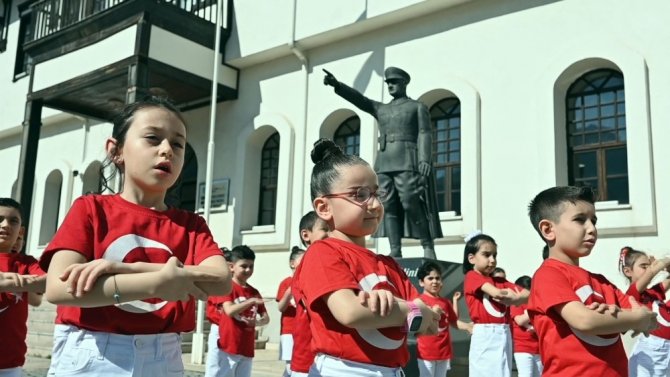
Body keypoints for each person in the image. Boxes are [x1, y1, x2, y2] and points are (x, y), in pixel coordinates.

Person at [39, 96, 232, 376]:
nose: (167, 150)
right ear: (116, 150)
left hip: (165, 355)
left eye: (178, 144)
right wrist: (157, 283)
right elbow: (59, 288)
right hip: (93, 353)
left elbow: (221, 280)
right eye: (153, 138)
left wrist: (123, 268)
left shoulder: (192, 225)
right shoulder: (91, 209)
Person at [293, 138, 440, 377]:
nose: (374, 204)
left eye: (376, 193)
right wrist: (407, 310)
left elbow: (428, 323)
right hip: (345, 370)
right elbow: (350, 312)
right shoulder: (322, 253)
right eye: (359, 195)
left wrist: (401, 309)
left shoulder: (388, 264)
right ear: (324, 207)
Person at [527, 186, 658, 377]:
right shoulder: (548, 275)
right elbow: (584, 320)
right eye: (580, 220)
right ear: (548, 229)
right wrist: (633, 319)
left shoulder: (602, 282)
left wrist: (617, 316)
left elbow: (649, 318)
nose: (592, 228)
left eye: (594, 221)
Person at [323, 68, 442, 259]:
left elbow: (425, 133)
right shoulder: (382, 109)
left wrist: (424, 159)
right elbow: (361, 101)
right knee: (388, 206)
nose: (391, 86)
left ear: (404, 83)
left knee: (411, 202)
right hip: (385, 164)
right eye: (388, 83)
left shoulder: (416, 107)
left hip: (407, 161)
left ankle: (427, 244)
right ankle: (395, 248)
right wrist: (338, 85)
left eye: (394, 82)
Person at [462, 232, 529, 377]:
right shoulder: (472, 276)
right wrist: (514, 295)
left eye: (495, 255)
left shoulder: (500, 281)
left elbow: (528, 294)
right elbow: (496, 293)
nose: (492, 260)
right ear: (471, 258)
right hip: (485, 334)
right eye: (486, 255)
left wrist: (516, 298)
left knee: (504, 372)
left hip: (504, 333)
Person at [206, 245, 269, 377]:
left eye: (251, 266)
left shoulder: (254, 291)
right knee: (220, 372)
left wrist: (256, 322)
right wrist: (250, 301)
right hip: (228, 340)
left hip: (246, 344)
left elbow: (265, 317)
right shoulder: (227, 286)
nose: (248, 270)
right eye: (244, 266)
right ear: (231, 267)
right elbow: (229, 310)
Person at [0, 198, 46, 377]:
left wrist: (8, 283)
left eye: (13, 221)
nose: (5, 225)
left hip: (9, 367)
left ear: (21, 231)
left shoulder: (26, 263)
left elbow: (49, 281)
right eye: (0, 219)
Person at [416, 261, 473, 377]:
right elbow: (417, 326)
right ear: (421, 282)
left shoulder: (445, 302)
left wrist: (468, 326)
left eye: (437, 278)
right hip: (426, 353)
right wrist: (432, 313)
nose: (434, 282)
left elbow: (453, 321)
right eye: (430, 278)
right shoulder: (418, 301)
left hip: (444, 352)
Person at [619, 246, 670, 377]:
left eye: (649, 265)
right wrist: (661, 264)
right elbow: (649, 275)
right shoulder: (632, 294)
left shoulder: (653, 292)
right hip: (651, 348)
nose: (648, 269)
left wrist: (667, 268)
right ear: (628, 271)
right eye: (643, 266)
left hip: (666, 348)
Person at [290, 211, 329, 377]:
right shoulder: (309, 264)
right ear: (306, 235)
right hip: (309, 360)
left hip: (325, 358)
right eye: (325, 229)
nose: (332, 234)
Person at [276, 246, 306, 377]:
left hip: (303, 329)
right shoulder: (285, 283)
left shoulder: (307, 282)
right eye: (303, 260)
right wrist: (289, 292)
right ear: (292, 263)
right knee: (290, 365)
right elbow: (281, 307)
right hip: (289, 330)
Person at [205, 247, 231, 376]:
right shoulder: (217, 286)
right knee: (214, 363)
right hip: (218, 326)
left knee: (227, 364)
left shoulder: (231, 285)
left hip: (230, 328)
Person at [511, 275, 542, 377]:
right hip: (522, 347)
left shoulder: (536, 303)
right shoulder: (516, 304)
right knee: (525, 374)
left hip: (538, 348)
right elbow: (520, 320)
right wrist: (534, 309)